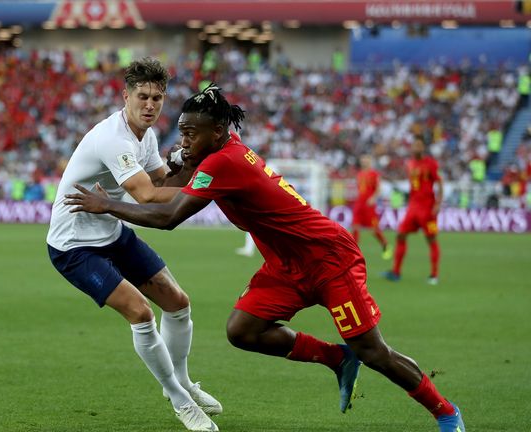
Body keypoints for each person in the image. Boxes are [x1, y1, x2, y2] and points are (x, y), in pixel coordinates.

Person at [65, 84, 465, 432]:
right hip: (287, 265)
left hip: (328, 260)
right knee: (243, 330)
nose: (183, 141)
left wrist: (107, 205)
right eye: (182, 132)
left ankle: (446, 412)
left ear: (218, 131)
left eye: (190, 134)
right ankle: (335, 358)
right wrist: (181, 163)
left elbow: (169, 216)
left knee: (374, 351)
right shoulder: (220, 153)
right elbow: (177, 185)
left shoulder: (225, 162)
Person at [45, 58, 221, 432]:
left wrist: (195, 161)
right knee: (141, 313)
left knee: (178, 303)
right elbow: (146, 194)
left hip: (111, 232)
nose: (150, 105)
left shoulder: (147, 136)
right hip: (73, 246)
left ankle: (185, 382)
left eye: (157, 98)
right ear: (125, 96)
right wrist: (208, 185)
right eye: (142, 96)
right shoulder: (114, 138)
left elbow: (163, 177)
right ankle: (180, 400)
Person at [383, 138, 444, 285]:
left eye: (419, 145)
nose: (416, 147)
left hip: (427, 208)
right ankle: (396, 272)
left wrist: (438, 204)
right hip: (413, 207)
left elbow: (440, 183)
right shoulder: (410, 164)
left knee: (431, 240)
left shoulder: (430, 163)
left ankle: (434, 275)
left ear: (423, 147)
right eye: (414, 145)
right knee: (401, 235)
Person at [352, 154, 391, 260]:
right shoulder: (359, 174)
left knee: (374, 230)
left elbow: (378, 189)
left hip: (369, 205)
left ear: (370, 162)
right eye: (363, 160)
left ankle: (385, 244)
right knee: (355, 228)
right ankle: (353, 253)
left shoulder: (374, 174)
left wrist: (373, 198)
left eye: (366, 160)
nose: (364, 162)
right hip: (359, 204)